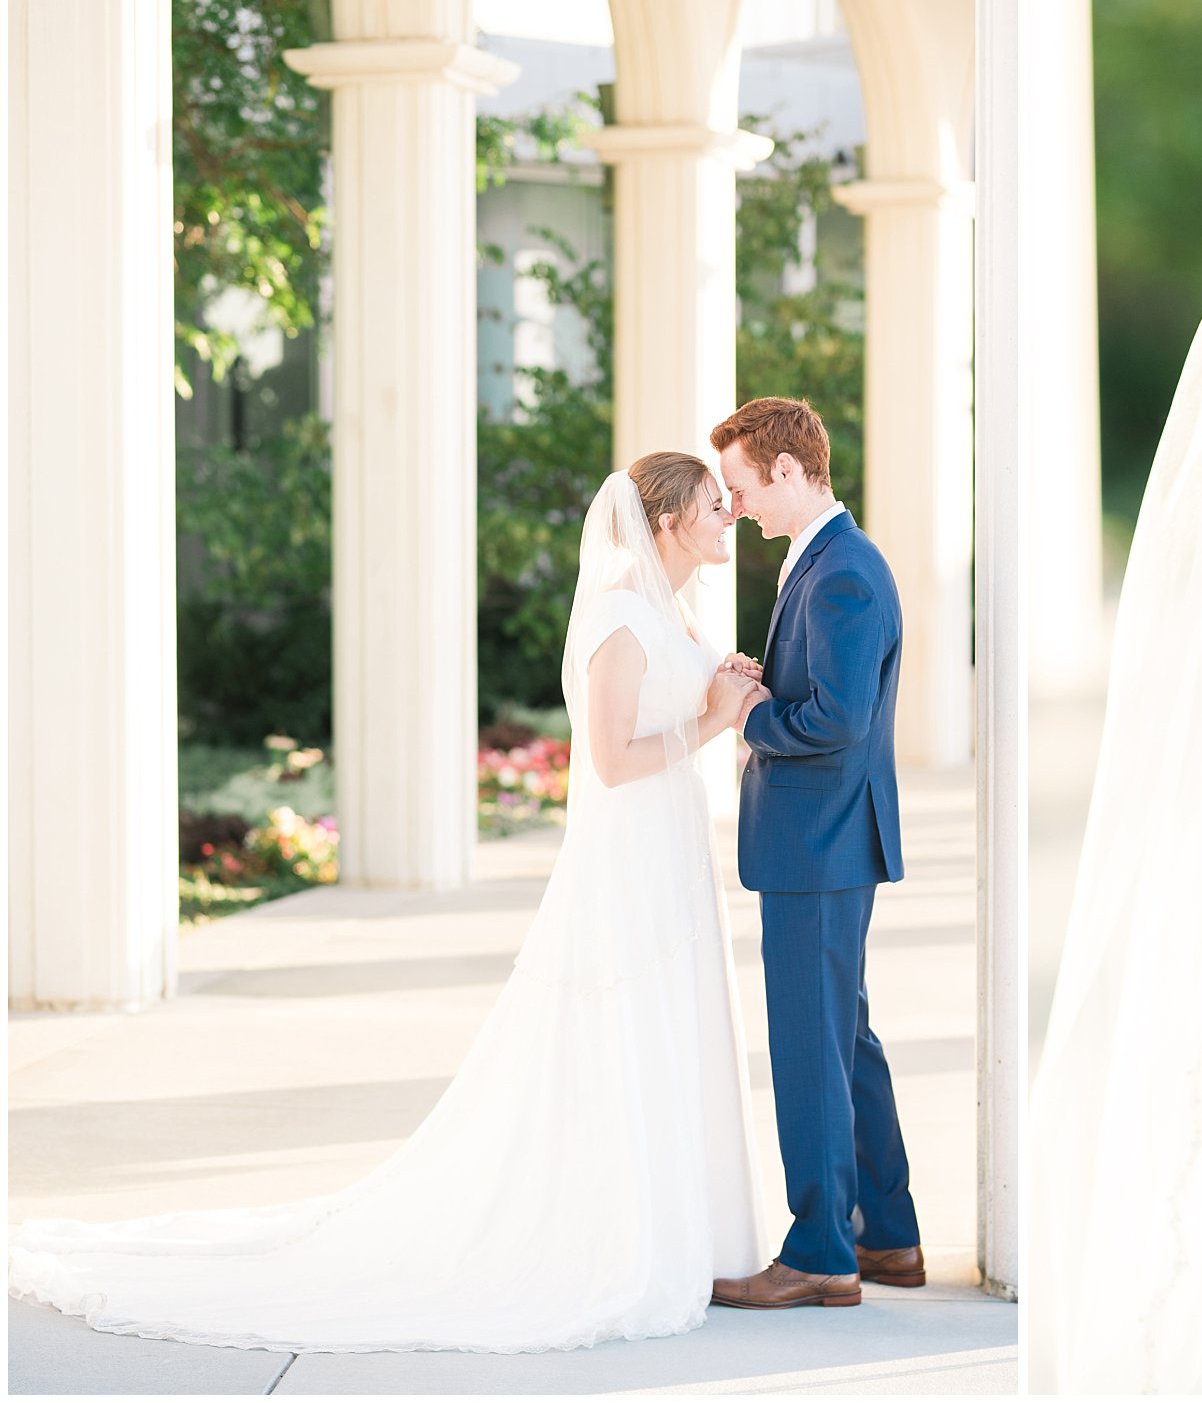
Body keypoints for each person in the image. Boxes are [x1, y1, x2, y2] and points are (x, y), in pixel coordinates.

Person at [10, 454, 771, 1353]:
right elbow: (611, 763)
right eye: (715, 507)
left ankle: (690, 1233)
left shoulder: (673, 609)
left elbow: (680, 701)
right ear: (672, 521)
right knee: (622, 1026)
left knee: (672, 1022)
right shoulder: (617, 621)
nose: (729, 517)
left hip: (672, 850)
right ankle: (622, 1237)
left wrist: (717, 680)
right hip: (630, 857)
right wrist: (717, 719)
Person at [707, 398, 923, 1311]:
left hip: (819, 842)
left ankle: (822, 1252)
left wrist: (749, 715)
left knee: (809, 1046)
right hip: (825, 838)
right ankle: (888, 1237)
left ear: (788, 472)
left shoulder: (843, 573)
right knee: (843, 1038)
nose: (737, 504)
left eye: (742, 485)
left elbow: (837, 721)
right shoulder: (827, 561)